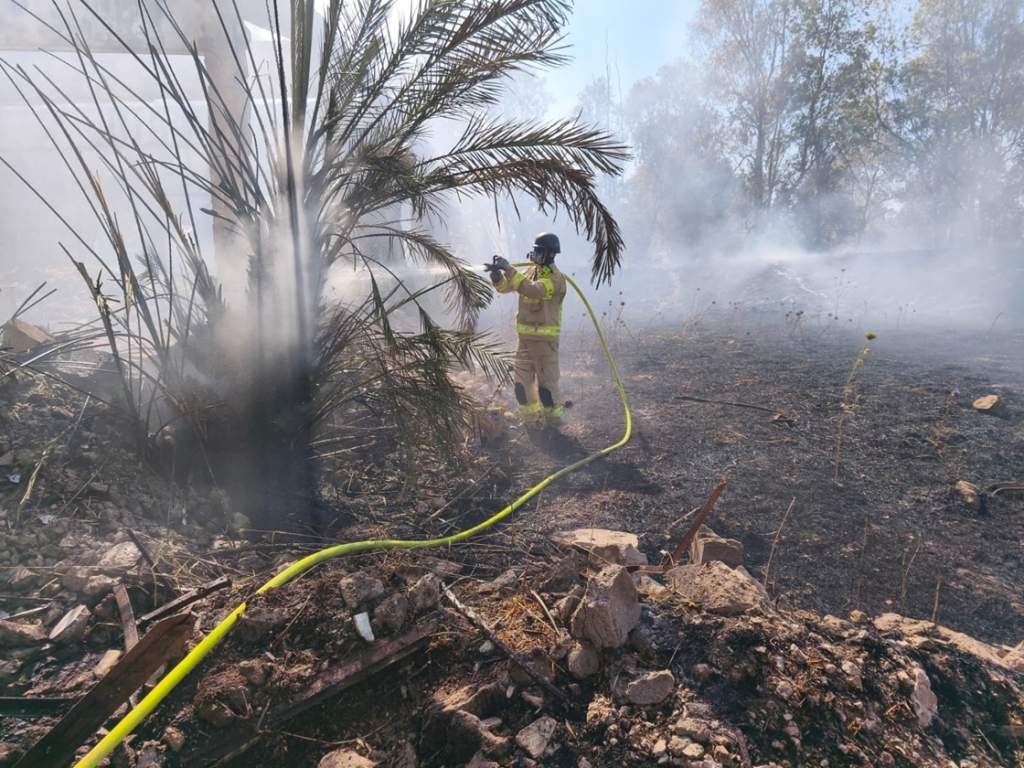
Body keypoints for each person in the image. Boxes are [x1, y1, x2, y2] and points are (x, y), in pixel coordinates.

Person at [487, 232, 567, 429]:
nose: (535, 253)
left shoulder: (556, 278)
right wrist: (497, 277)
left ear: (551, 254)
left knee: (547, 387)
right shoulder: (532, 272)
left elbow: (533, 290)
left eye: (539, 250)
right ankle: (531, 422)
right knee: (522, 385)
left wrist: (509, 268)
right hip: (524, 341)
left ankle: (554, 425)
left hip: (545, 343)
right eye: (535, 250)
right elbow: (510, 287)